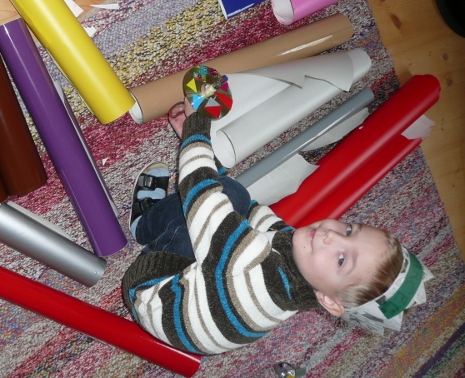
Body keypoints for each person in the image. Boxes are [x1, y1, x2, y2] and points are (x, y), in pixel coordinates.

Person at [122, 98, 432, 355]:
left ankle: (144, 224)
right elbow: (262, 219)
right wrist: (209, 166)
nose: (330, 236)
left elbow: (197, 193)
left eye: (342, 259)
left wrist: (196, 127)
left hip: (151, 291)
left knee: (208, 204)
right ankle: (204, 180)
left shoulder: (250, 263)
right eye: (349, 230)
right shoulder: (305, 282)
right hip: (197, 307)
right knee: (235, 197)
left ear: (330, 301)